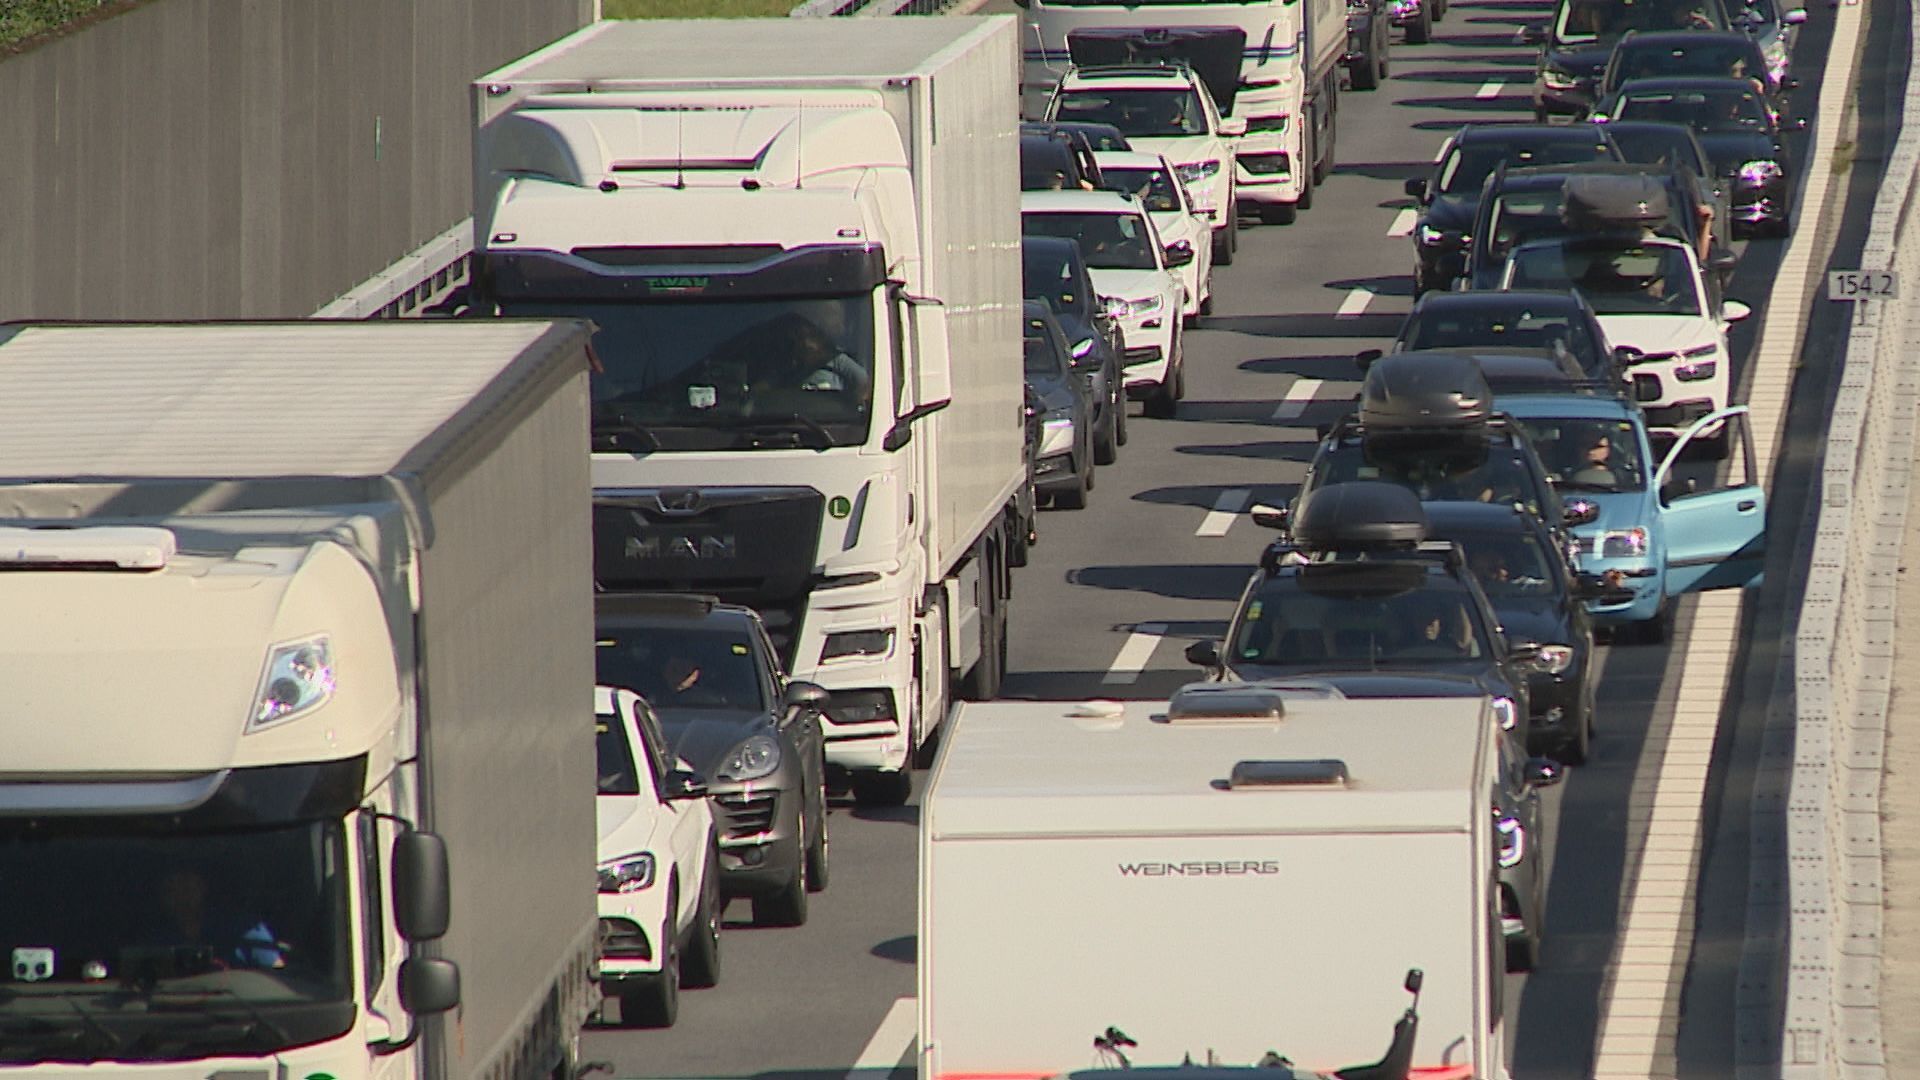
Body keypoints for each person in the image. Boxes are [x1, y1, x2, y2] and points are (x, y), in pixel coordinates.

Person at [151, 866, 290, 971]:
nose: (181, 895)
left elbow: (279, 975)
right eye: (171, 888)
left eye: (186, 885)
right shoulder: (155, 943)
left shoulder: (246, 928)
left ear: (202, 887)